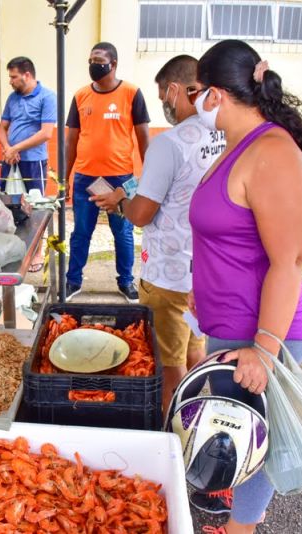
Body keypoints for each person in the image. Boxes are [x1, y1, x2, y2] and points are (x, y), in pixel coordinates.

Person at [187, 40, 302, 532]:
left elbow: (290, 261)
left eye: (198, 91)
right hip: (231, 325)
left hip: (261, 331)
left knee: (258, 441)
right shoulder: (236, 148)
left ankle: (241, 528)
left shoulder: (273, 152)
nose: (195, 102)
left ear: (217, 93)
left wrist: (264, 349)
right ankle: (237, 516)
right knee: (237, 434)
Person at [91, 55, 225, 412]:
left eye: (164, 95)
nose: (164, 103)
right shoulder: (224, 133)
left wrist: (119, 203)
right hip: (205, 273)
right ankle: (198, 415)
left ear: (176, 89)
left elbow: (141, 214)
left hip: (167, 273)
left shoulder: (170, 143)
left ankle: (175, 432)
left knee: (169, 366)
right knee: (196, 348)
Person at [65, 42, 150, 302]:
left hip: (120, 180)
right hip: (86, 178)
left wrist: (148, 179)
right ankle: (73, 281)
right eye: (91, 59)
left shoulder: (131, 93)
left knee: (122, 233)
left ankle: (126, 281)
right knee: (81, 231)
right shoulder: (81, 96)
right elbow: (71, 141)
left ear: (113, 64)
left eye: (99, 60)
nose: (94, 65)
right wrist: (63, 177)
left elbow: (144, 137)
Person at [0, 56, 57, 272]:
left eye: (13, 77)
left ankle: (37, 252)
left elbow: (46, 133)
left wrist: (16, 148)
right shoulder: (13, 98)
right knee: (7, 204)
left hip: (33, 161)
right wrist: (7, 149)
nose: (10, 81)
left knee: (35, 206)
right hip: (10, 160)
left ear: (27, 75)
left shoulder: (47, 97)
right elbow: (1, 127)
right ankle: (11, 248)